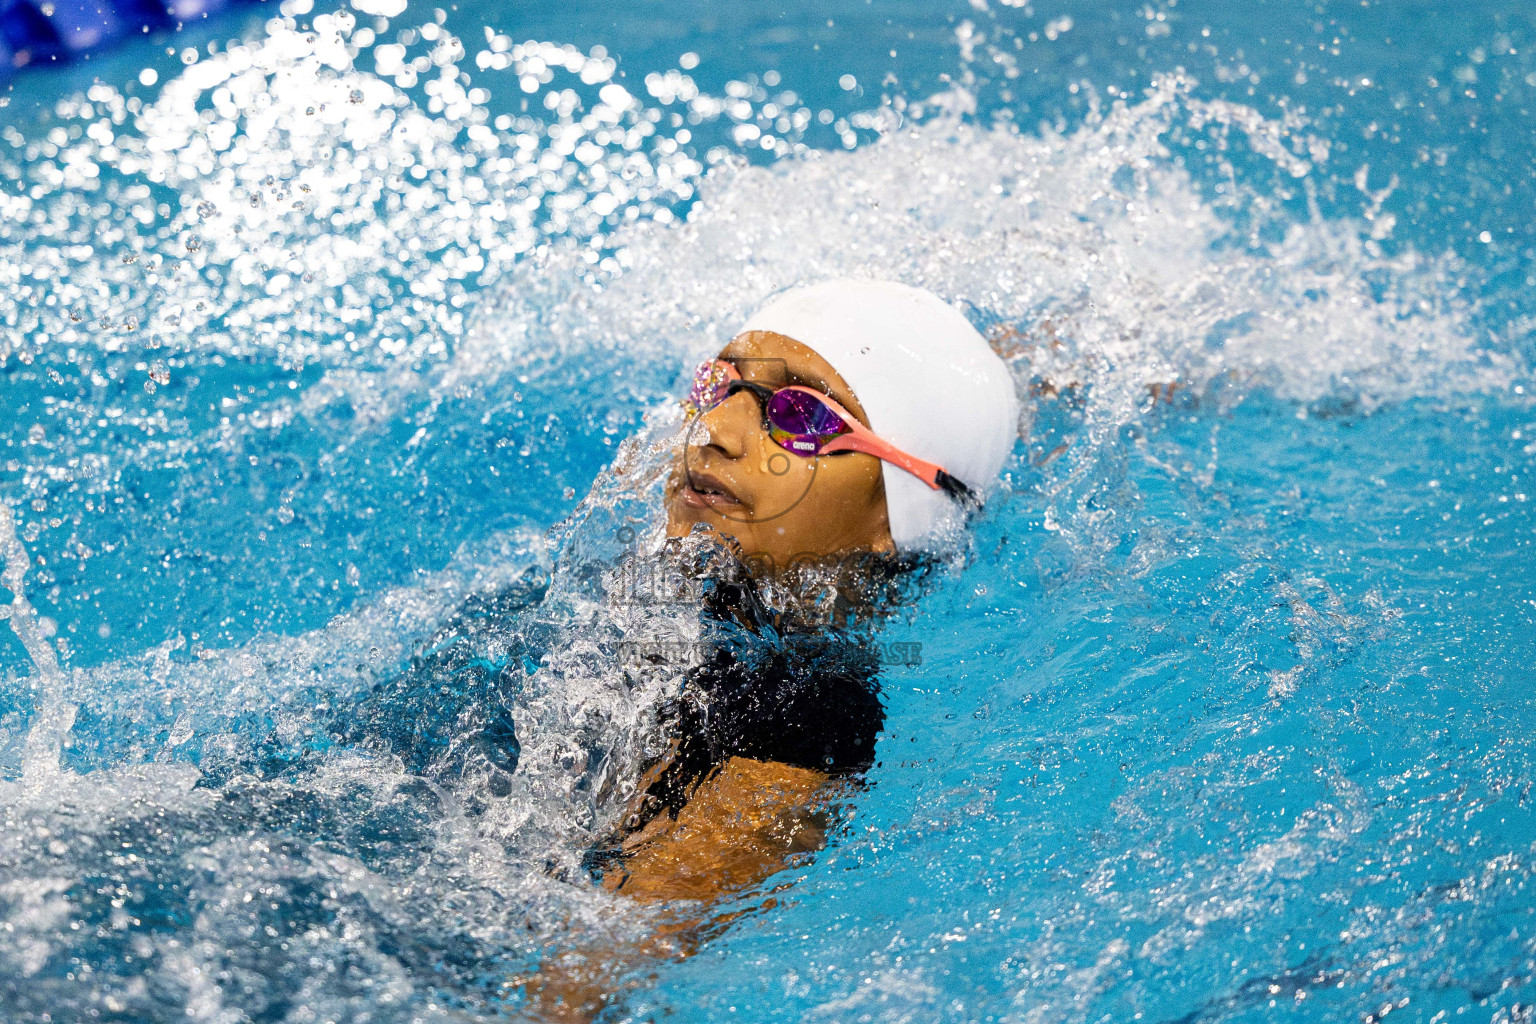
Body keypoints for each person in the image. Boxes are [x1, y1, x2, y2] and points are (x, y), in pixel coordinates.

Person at [521, 279, 1020, 1019]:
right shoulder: (661, 577)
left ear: (903, 514)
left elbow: (592, 969)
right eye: (721, 385)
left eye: (802, 417)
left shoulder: (803, 731)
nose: (715, 430)